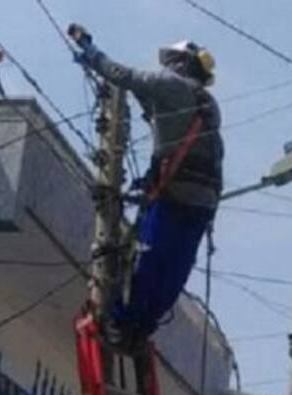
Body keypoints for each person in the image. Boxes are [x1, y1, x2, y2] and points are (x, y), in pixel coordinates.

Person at [68, 23, 224, 341]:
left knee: (149, 260)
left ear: (179, 63)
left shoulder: (170, 84)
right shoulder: (208, 105)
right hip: (204, 200)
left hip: (174, 193)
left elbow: (122, 76)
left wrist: (90, 51)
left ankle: (122, 321)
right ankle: (142, 326)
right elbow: (160, 116)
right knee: (175, 269)